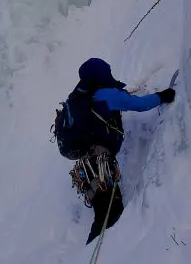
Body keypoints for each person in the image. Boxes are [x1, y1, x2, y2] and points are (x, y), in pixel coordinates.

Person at [57, 58, 175, 243]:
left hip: (86, 165)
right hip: (100, 163)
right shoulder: (105, 95)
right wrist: (163, 96)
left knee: (104, 212)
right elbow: (139, 105)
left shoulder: (78, 98)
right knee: (109, 214)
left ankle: (91, 258)